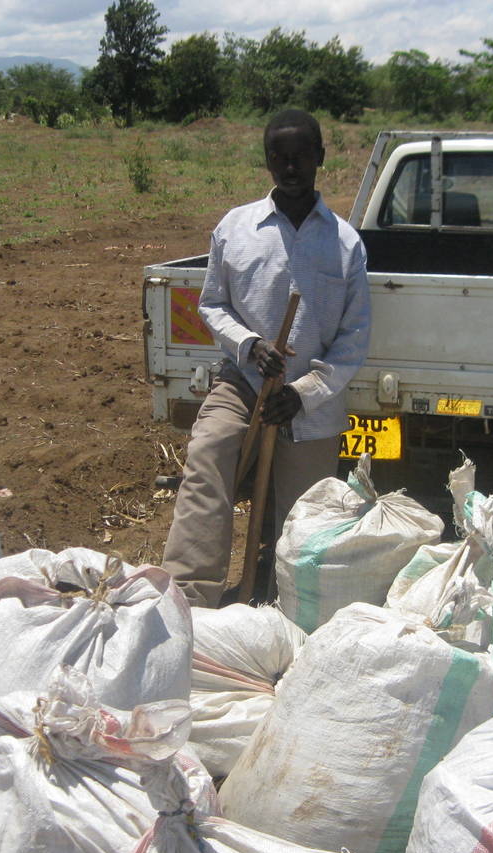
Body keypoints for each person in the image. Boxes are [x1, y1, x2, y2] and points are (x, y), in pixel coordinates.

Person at [161, 108, 371, 608]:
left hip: (309, 406)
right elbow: (212, 304)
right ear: (268, 160)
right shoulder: (236, 228)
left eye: (301, 156)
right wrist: (250, 345)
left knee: (304, 520)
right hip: (242, 384)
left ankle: (285, 610)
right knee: (208, 455)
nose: (290, 167)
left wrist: (303, 394)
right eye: (280, 157)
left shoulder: (345, 243)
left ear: (319, 158)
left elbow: (353, 338)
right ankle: (189, 597)